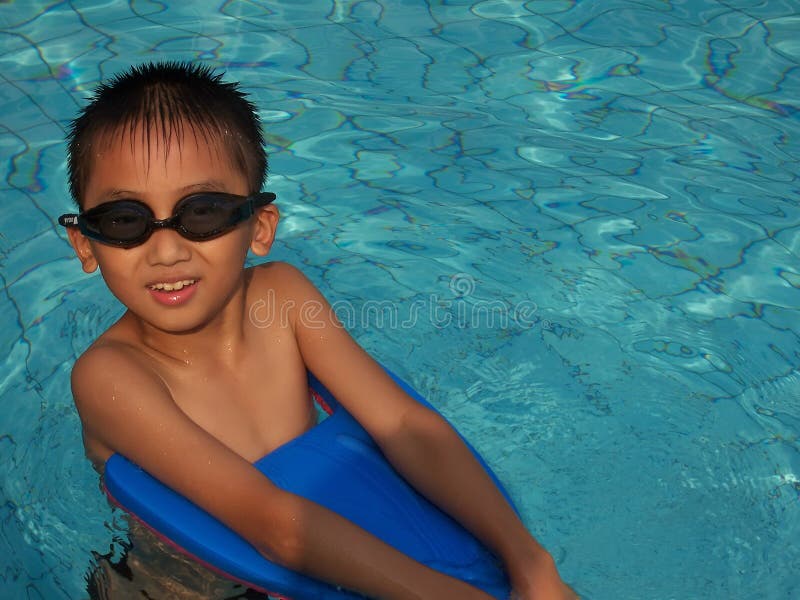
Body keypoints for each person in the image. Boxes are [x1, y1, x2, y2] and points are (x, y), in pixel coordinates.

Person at [60, 61, 577, 600]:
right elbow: (274, 525)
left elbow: (402, 423)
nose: (166, 250)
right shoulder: (110, 377)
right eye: (125, 220)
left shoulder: (283, 299)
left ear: (259, 227)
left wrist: (531, 562)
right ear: (85, 244)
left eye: (203, 212)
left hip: (334, 545)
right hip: (185, 581)